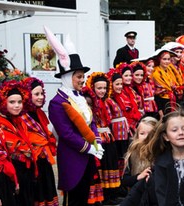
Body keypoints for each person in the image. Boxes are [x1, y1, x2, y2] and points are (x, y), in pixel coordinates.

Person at [45, 26, 104, 205]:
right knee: (75, 200)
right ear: (67, 76)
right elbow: (66, 134)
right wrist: (89, 147)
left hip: (87, 156)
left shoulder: (80, 97)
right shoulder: (56, 102)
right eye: (79, 76)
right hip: (73, 157)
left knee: (84, 196)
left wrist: (98, 141)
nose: (82, 80)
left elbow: (91, 121)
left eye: (83, 76)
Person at [121, 110, 184, 206]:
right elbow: (136, 192)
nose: (180, 133)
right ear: (166, 136)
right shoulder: (161, 163)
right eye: (174, 130)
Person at [83, 72, 121, 205]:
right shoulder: (90, 103)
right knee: (101, 168)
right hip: (98, 138)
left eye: (104, 88)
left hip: (108, 137)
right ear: (93, 88)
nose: (102, 91)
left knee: (110, 165)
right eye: (99, 88)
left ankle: (111, 194)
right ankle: (102, 197)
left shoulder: (107, 101)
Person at [0, 80, 34, 206]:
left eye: (19, 102)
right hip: (11, 172)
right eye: (12, 102)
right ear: (3, 103)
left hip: (26, 171)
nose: (17, 105)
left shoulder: (21, 122)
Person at [21, 77, 59, 206]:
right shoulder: (22, 116)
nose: (40, 97)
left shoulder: (40, 113)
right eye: (36, 94)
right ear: (27, 95)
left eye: (42, 93)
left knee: (47, 188)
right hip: (33, 162)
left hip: (44, 160)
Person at [121, 116, 158, 188]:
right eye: (142, 133)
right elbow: (124, 181)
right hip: (138, 194)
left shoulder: (160, 152)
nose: (146, 137)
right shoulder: (133, 153)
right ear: (137, 135)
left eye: (150, 134)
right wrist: (138, 177)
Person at [152, 49, 184, 115]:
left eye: (168, 59)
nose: (167, 61)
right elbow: (160, 91)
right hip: (162, 101)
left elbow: (174, 84)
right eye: (164, 59)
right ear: (159, 60)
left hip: (171, 99)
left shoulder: (170, 70)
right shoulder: (156, 73)